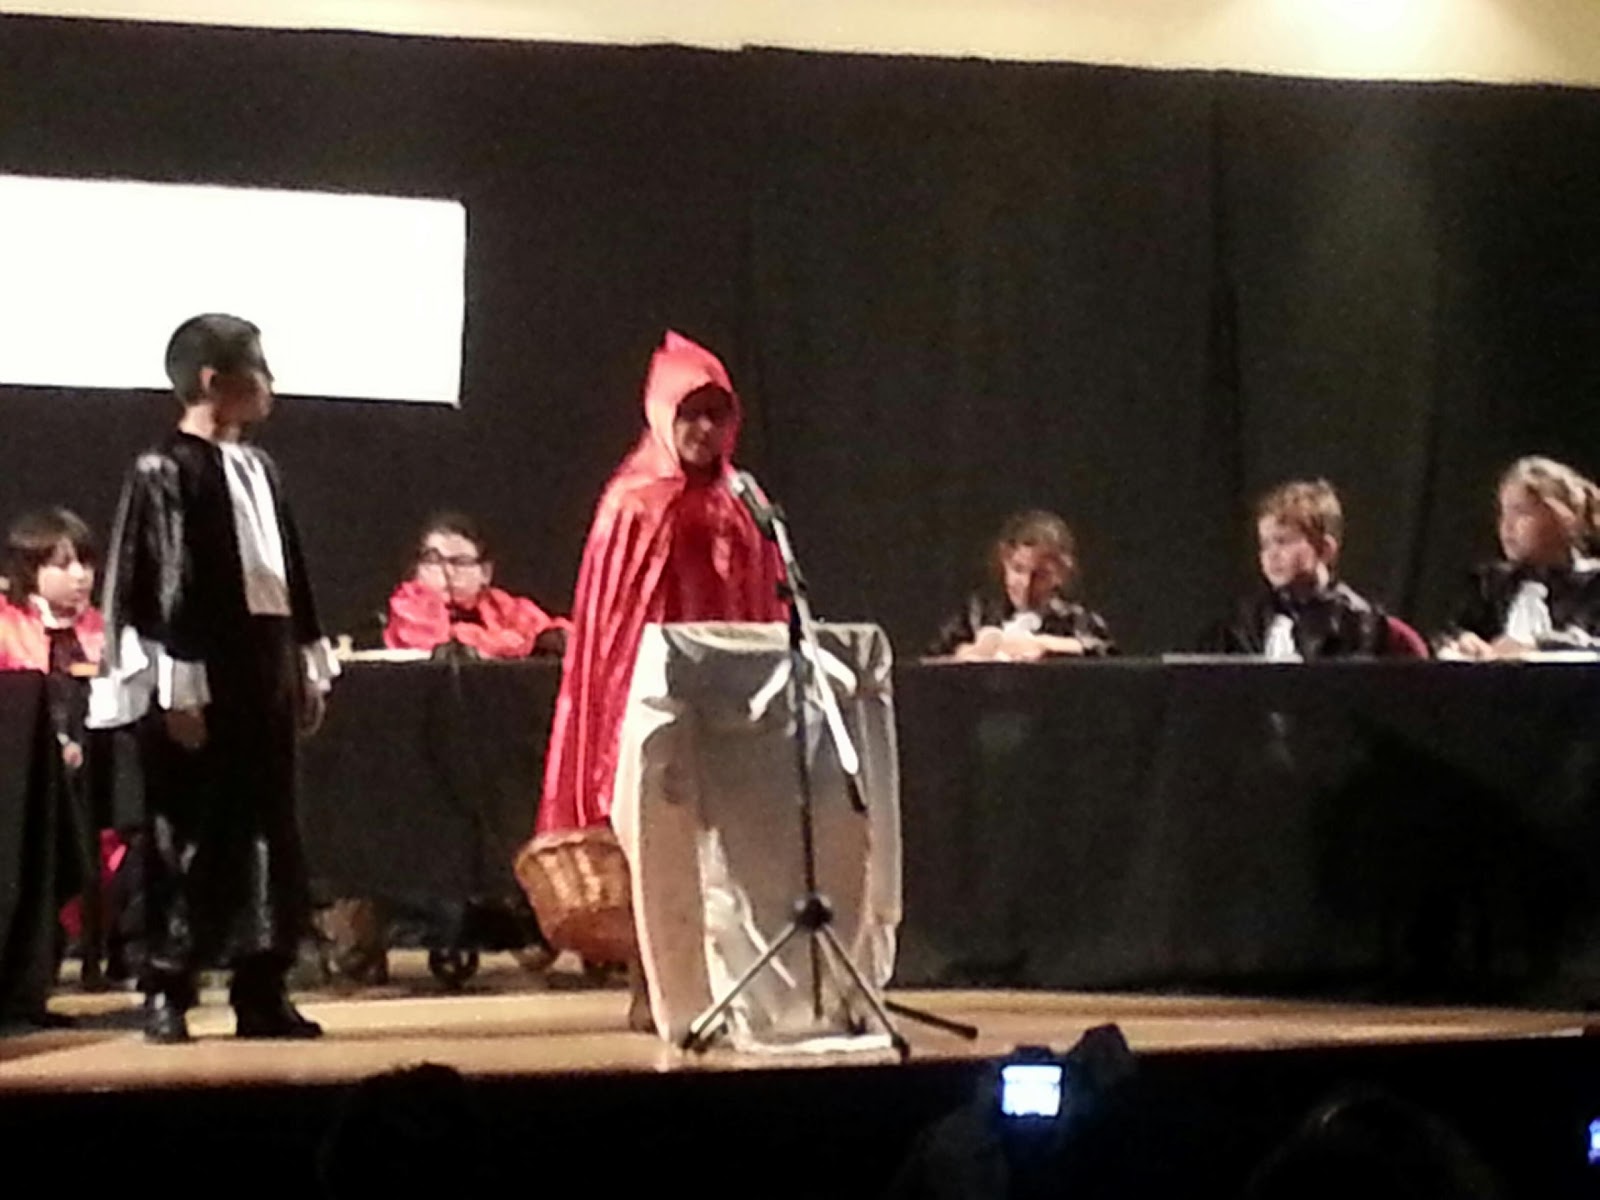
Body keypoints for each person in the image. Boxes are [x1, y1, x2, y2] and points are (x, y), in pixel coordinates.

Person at [517, 331, 784, 1026]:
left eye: (716, 415)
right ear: (662, 414)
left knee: (723, 845)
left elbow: (765, 600)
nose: (703, 431)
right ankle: (653, 988)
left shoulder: (742, 501)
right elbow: (611, 628)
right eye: (689, 414)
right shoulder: (633, 503)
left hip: (729, 701)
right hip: (651, 703)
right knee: (654, 844)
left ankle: (731, 984)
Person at [88, 313, 337, 1043]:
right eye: (257, 370)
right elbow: (162, 582)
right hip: (199, 667)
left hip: (261, 662)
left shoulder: (261, 469)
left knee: (268, 828)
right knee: (191, 830)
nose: (270, 385)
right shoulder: (164, 468)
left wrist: (305, 663)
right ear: (212, 380)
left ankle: (261, 983)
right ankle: (168, 982)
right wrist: (178, 685)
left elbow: (289, 574)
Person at [1203, 479, 1417, 660]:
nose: (1272, 554)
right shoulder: (1247, 623)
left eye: (1283, 541)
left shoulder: (1359, 626)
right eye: (1265, 544)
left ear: (1325, 549)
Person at [1438, 456, 1600, 659]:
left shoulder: (1593, 586)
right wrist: (1465, 641)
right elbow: (1452, 632)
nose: (1508, 525)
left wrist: (1539, 646)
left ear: (1565, 517)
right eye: (1504, 513)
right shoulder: (1489, 585)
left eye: (1522, 512)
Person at [928, 510, 1114, 660]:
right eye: (1018, 569)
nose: (1026, 584)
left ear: (1061, 574)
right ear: (1004, 561)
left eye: (1040, 575)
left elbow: (1104, 652)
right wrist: (967, 653)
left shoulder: (1075, 619)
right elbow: (932, 660)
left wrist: (1044, 645)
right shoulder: (976, 613)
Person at [383, 512, 570, 658]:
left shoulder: (501, 606)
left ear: (485, 573)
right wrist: (515, 642)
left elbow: (558, 633)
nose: (447, 571)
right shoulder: (407, 605)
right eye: (433, 560)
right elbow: (438, 642)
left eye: (460, 562)